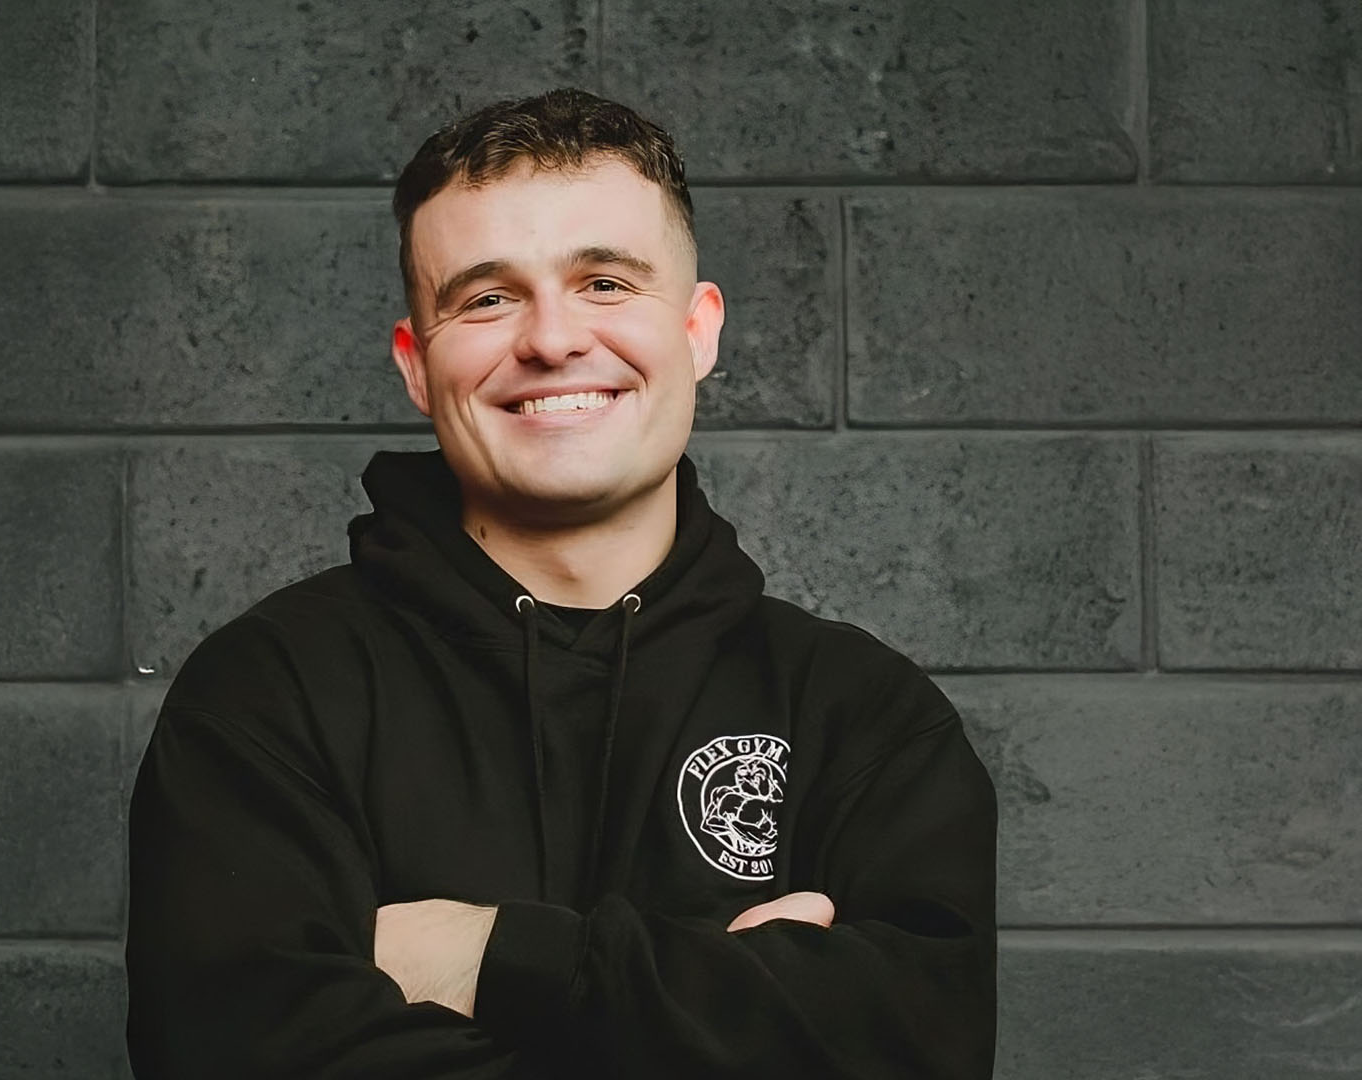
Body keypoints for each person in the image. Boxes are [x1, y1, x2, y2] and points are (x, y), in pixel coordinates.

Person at [125, 87, 998, 1079]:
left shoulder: (863, 718)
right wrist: (739, 1008)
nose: (551, 339)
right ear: (416, 364)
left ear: (699, 330)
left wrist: (495, 958)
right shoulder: (268, 700)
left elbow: (924, 1048)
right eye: (487, 298)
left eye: (606, 284)